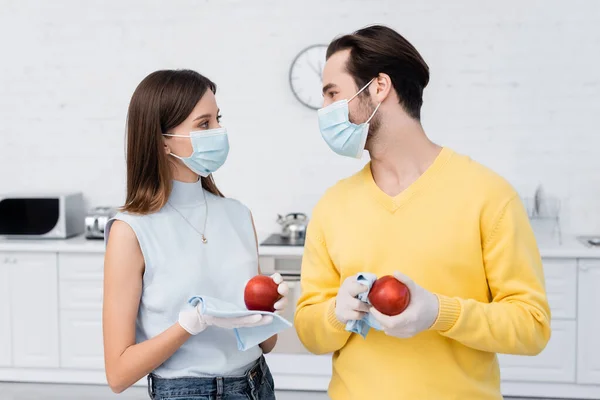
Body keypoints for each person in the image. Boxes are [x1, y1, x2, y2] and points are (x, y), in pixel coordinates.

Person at [294, 25, 551, 399]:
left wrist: (440, 313)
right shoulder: (332, 207)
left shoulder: (488, 195)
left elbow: (532, 326)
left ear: (379, 87)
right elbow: (308, 332)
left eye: (333, 93)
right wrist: (337, 312)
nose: (324, 110)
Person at [103, 69, 288, 400]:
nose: (219, 131)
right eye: (204, 124)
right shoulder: (131, 230)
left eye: (217, 119)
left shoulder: (238, 215)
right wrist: (187, 327)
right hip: (186, 392)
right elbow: (118, 374)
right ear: (162, 140)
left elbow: (266, 344)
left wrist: (269, 308)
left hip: (257, 384)